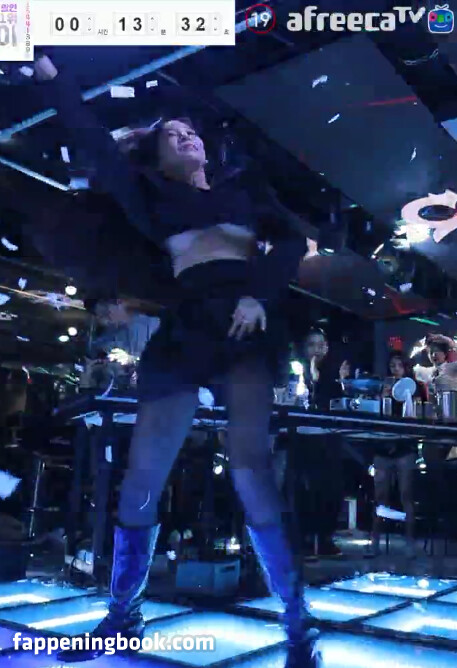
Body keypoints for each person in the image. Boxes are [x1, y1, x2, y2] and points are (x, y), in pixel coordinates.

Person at [31, 55, 319, 667]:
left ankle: (300, 630)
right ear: (157, 155)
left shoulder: (246, 191)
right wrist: (54, 78)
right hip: (186, 331)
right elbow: (92, 139)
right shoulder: (150, 195)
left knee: (251, 469)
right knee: (142, 478)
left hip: (244, 327)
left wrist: (258, 293)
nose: (186, 136)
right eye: (172, 134)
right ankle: (123, 618)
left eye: (191, 131)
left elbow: (293, 239)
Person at [292, 329, 344, 558]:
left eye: (321, 345)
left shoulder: (334, 371)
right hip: (302, 436)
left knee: (331, 487)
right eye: (312, 345)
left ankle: (325, 538)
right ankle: (304, 538)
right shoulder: (296, 370)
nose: (317, 349)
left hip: (328, 436)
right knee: (303, 488)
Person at [370, 353, 427, 557]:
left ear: (406, 367)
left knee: (406, 494)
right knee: (380, 496)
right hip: (382, 446)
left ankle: (409, 541)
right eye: (392, 365)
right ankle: (374, 542)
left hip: (405, 447)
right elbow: (374, 414)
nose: (395, 368)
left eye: (399, 365)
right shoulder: (383, 386)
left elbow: (420, 416)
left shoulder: (414, 387)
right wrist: (382, 396)